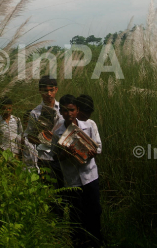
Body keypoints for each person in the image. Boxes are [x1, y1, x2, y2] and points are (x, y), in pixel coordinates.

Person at [52, 94, 103, 247]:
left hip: (90, 177)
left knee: (94, 211)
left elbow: (98, 147)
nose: (68, 114)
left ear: (77, 110)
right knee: (75, 214)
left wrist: (93, 151)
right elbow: (55, 157)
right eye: (65, 111)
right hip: (72, 180)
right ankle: (78, 243)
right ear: (60, 112)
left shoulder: (89, 126)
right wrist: (64, 154)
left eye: (71, 110)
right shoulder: (57, 133)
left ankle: (96, 241)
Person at [23, 75, 64, 189]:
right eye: (45, 91)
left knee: (65, 192)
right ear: (40, 91)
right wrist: (43, 139)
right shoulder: (35, 113)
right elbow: (29, 136)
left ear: (56, 89)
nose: (49, 94)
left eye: (51, 90)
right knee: (49, 192)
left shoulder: (63, 109)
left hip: (63, 157)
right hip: (45, 159)